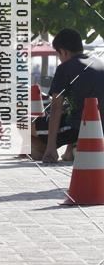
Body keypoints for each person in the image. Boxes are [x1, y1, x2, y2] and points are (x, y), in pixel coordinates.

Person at [32, 28, 104, 163]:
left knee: (23, 125)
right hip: (99, 126)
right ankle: (73, 150)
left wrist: (51, 147)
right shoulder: (99, 62)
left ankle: (43, 151)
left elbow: (56, 108)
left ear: (63, 52)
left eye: (58, 55)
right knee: (74, 112)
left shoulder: (65, 68)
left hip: (80, 128)